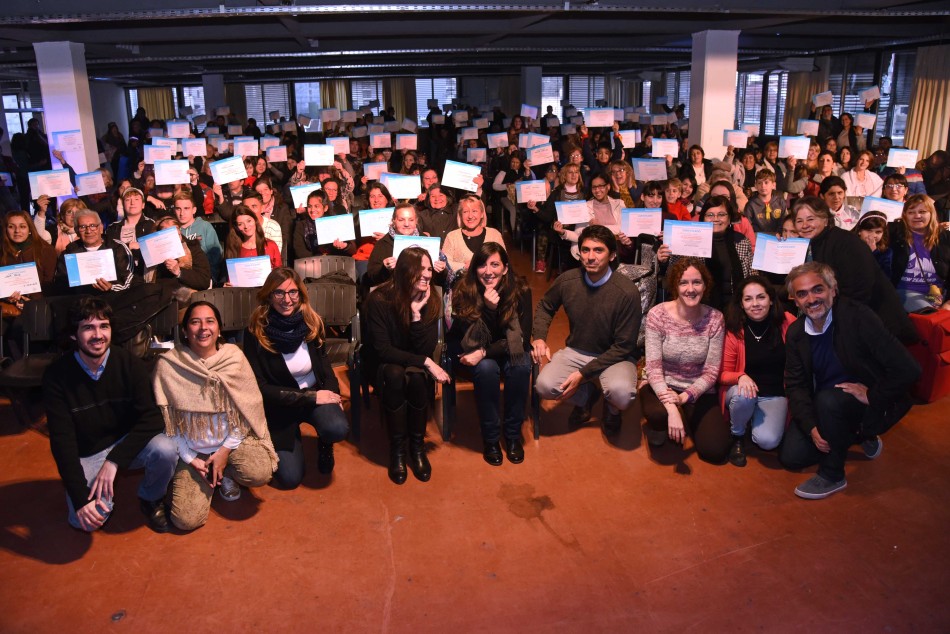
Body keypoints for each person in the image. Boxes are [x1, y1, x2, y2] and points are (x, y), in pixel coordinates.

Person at [779, 262, 920, 499]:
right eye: (802, 294)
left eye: (818, 289)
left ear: (833, 289)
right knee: (791, 457)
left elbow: (909, 369)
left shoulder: (858, 317)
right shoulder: (796, 332)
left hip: (865, 402)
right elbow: (796, 385)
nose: (811, 299)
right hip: (824, 405)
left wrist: (873, 395)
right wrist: (811, 427)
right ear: (794, 300)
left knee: (828, 401)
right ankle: (854, 435)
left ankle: (832, 475)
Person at [43, 297, 178, 532]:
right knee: (85, 522)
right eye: (88, 327)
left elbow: (152, 418)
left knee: (166, 449)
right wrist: (79, 499)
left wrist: (115, 460)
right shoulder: (56, 376)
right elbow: (62, 443)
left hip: (125, 441)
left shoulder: (129, 363)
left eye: (104, 326)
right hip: (88, 451)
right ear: (74, 335)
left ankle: (150, 497)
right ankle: (94, 493)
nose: (98, 335)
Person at [152, 301, 277, 530]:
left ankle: (225, 471)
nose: (203, 328)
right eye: (195, 322)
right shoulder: (169, 365)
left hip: (230, 444)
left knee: (260, 471)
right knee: (185, 521)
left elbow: (245, 412)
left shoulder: (234, 359)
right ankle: (207, 475)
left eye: (210, 321)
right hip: (191, 450)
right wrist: (191, 459)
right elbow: (168, 424)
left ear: (219, 329)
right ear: (184, 330)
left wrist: (224, 452)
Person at [242, 268, 349, 488]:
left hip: (314, 397)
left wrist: (333, 394)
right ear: (269, 296)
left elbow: (325, 367)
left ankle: (325, 443)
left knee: (337, 427)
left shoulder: (311, 322)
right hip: (281, 404)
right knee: (290, 479)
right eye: (279, 293)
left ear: (300, 294)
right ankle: (289, 438)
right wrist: (311, 397)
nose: (287, 299)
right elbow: (261, 388)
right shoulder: (255, 332)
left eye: (293, 292)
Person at [532, 225, 641, 434]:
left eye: (598, 250)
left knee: (622, 395)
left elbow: (624, 346)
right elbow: (546, 306)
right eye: (585, 250)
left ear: (612, 255)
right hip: (578, 350)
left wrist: (582, 373)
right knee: (544, 386)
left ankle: (612, 408)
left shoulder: (627, 292)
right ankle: (587, 395)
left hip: (616, 356)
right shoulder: (568, 280)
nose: (591, 257)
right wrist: (539, 338)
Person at [363, 247, 450, 484]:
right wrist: (425, 362)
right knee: (394, 374)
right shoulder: (379, 299)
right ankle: (397, 449)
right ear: (403, 271)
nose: (427, 275)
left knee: (418, 378)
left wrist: (415, 317)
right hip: (383, 363)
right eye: (419, 269)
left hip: (413, 360)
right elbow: (382, 350)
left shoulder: (430, 298)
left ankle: (417, 447)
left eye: (429, 268)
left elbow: (425, 347)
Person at [448, 243, 532, 465]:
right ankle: (491, 438)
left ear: (505, 268)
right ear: (475, 268)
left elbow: (521, 341)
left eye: (495, 264)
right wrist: (488, 309)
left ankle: (513, 435)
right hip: (469, 350)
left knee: (521, 365)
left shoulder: (521, 291)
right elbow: (470, 341)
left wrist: (485, 351)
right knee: (486, 369)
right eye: (482, 265)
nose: (488, 271)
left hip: (504, 349)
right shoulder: (463, 289)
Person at [640, 258, 730, 462]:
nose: (691, 289)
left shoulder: (715, 319)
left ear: (705, 285)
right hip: (661, 383)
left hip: (697, 388)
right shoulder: (658, 314)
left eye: (697, 282)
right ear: (675, 286)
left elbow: (711, 372)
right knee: (658, 414)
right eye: (683, 282)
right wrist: (672, 407)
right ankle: (663, 423)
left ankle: (688, 417)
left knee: (715, 452)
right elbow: (653, 369)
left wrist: (685, 398)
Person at [791, 196, 916, 342]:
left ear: (825, 219)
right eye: (799, 221)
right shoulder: (816, 243)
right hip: (854, 320)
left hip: (876, 323)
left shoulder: (845, 242)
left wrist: (843, 324)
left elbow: (860, 287)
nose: (805, 225)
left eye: (811, 219)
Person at [719, 276, 796, 466]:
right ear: (741, 304)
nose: (755, 304)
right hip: (742, 391)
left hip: (774, 394)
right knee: (745, 396)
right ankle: (737, 435)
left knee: (768, 441)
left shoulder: (788, 322)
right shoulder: (734, 329)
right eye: (748, 299)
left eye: (760, 297)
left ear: (771, 299)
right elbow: (723, 373)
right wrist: (741, 376)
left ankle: (752, 416)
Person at [887, 194, 950, 311]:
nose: (917, 216)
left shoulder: (945, 237)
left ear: (931, 214)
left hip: (940, 293)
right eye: (911, 212)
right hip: (907, 291)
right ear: (904, 215)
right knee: (930, 315)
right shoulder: (894, 233)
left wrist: (948, 303)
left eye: (922, 211)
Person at [53, 208, 137, 295]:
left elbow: (129, 281)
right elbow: (60, 285)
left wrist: (111, 287)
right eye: (82, 227)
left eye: (93, 225)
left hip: (114, 299)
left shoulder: (118, 247)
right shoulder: (69, 253)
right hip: (81, 302)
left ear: (100, 228)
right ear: (77, 231)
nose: (88, 231)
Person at [365, 203, 446, 289]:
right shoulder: (383, 244)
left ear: (416, 221)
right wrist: (384, 269)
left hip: (422, 293)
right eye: (401, 220)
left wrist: (441, 271)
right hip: (393, 293)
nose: (406, 224)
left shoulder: (428, 242)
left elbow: (438, 281)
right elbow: (372, 276)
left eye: (411, 220)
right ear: (393, 221)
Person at [442, 195, 506, 274]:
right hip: (461, 284)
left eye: (474, 211)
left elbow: (504, 261)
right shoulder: (452, 236)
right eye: (465, 212)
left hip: (490, 283)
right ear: (461, 215)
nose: (470, 216)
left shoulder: (494, 234)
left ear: (482, 214)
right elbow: (444, 264)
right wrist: (464, 266)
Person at [292, 189, 356, 262]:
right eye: (310, 206)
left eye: (316, 206)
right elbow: (299, 251)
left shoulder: (336, 222)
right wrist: (318, 260)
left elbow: (353, 249)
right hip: (311, 264)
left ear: (325, 208)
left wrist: (344, 246)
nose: (312, 210)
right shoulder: (301, 225)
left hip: (336, 263)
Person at [223, 204, 281, 281]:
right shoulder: (234, 248)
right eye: (240, 224)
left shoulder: (270, 245)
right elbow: (231, 278)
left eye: (249, 221)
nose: (246, 226)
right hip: (241, 291)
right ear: (236, 227)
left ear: (255, 220)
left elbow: (279, 274)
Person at [173, 191, 222, 282]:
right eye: (178, 209)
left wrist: (211, 278)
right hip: (178, 277)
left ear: (194, 210)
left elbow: (215, 255)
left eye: (186, 208)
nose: (182, 213)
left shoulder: (205, 226)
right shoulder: (172, 230)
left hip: (203, 276)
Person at [744, 169, 786, 234]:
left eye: (766, 182)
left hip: (778, 239)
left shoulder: (780, 202)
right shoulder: (750, 205)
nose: (763, 186)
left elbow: (784, 224)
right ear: (755, 186)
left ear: (773, 185)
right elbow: (747, 227)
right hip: (758, 239)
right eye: (759, 183)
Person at [854, 210, 892, 276]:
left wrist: (875, 252)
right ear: (859, 231)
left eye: (878, 232)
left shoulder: (886, 252)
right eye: (869, 231)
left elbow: (885, 276)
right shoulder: (849, 246)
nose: (873, 235)